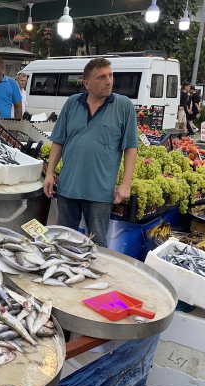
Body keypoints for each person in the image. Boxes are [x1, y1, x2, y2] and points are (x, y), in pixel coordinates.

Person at [43, 57, 138, 247]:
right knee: (63, 241)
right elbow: (58, 141)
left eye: (110, 75)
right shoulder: (72, 103)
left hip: (100, 193)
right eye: (102, 77)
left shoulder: (124, 106)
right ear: (86, 83)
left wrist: (125, 184)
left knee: (98, 245)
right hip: (68, 188)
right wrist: (50, 173)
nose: (109, 81)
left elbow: (130, 148)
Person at [0, 54, 22, 119]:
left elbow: (18, 106)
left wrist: (17, 125)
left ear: (2, 68)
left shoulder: (12, 84)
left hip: (3, 125)